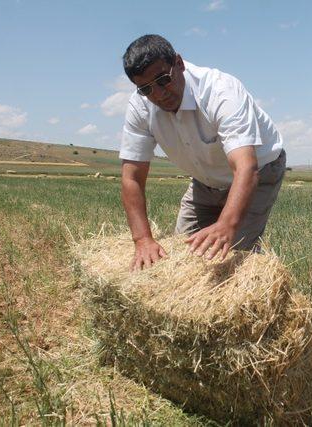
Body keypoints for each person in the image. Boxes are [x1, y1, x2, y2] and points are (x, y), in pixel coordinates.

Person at [119, 34, 285, 271]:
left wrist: (227, 225)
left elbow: (246, 168)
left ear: (179, 63)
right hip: (205, 180)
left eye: (162, 79)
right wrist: (142, 239)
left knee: (232, 259)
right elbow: (132, 177)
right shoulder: (140, 106)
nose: (158, 94)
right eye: (145, 88)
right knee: (181, 257)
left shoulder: (220, 91)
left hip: (258, 170)